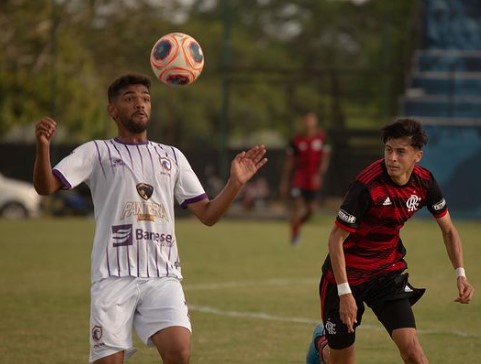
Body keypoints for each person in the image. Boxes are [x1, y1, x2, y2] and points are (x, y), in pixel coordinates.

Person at [33, 73, 267, 364]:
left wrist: (235, 183)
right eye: (130, 98)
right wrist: (43, 146)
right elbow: (45, 187)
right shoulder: (96, 152)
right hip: (112, 276)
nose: (140, 104)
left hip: (162, 276)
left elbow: (207, 215)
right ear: (113, 110)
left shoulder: (172, 156)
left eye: (145, 98)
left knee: (179, 351)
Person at [306, 118, 474, 364]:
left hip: (386, 273)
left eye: (401, 152)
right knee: (341, 361)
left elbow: (448, 230)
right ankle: (321, 341)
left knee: (414, 352)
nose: (392, 158)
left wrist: (461, 273)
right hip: (345, 276)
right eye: (388, 150)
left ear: (418, 155)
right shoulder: (367, 185)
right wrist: (345, 293)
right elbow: (335, 240)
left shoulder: (425, 182)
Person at [279, 112, 331, 245]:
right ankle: (295, 236)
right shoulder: (296, 139)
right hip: (299, 178)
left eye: (311, 120)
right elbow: (289, 162)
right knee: (297, 206)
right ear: (303, 121)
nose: (309, 122)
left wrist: (319, 175)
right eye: (306, 120)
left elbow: (324, 159)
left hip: (312, 178)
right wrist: (285, 182)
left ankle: (297, 225)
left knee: (311, 210)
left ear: (315, 122)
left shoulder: (322, 138)